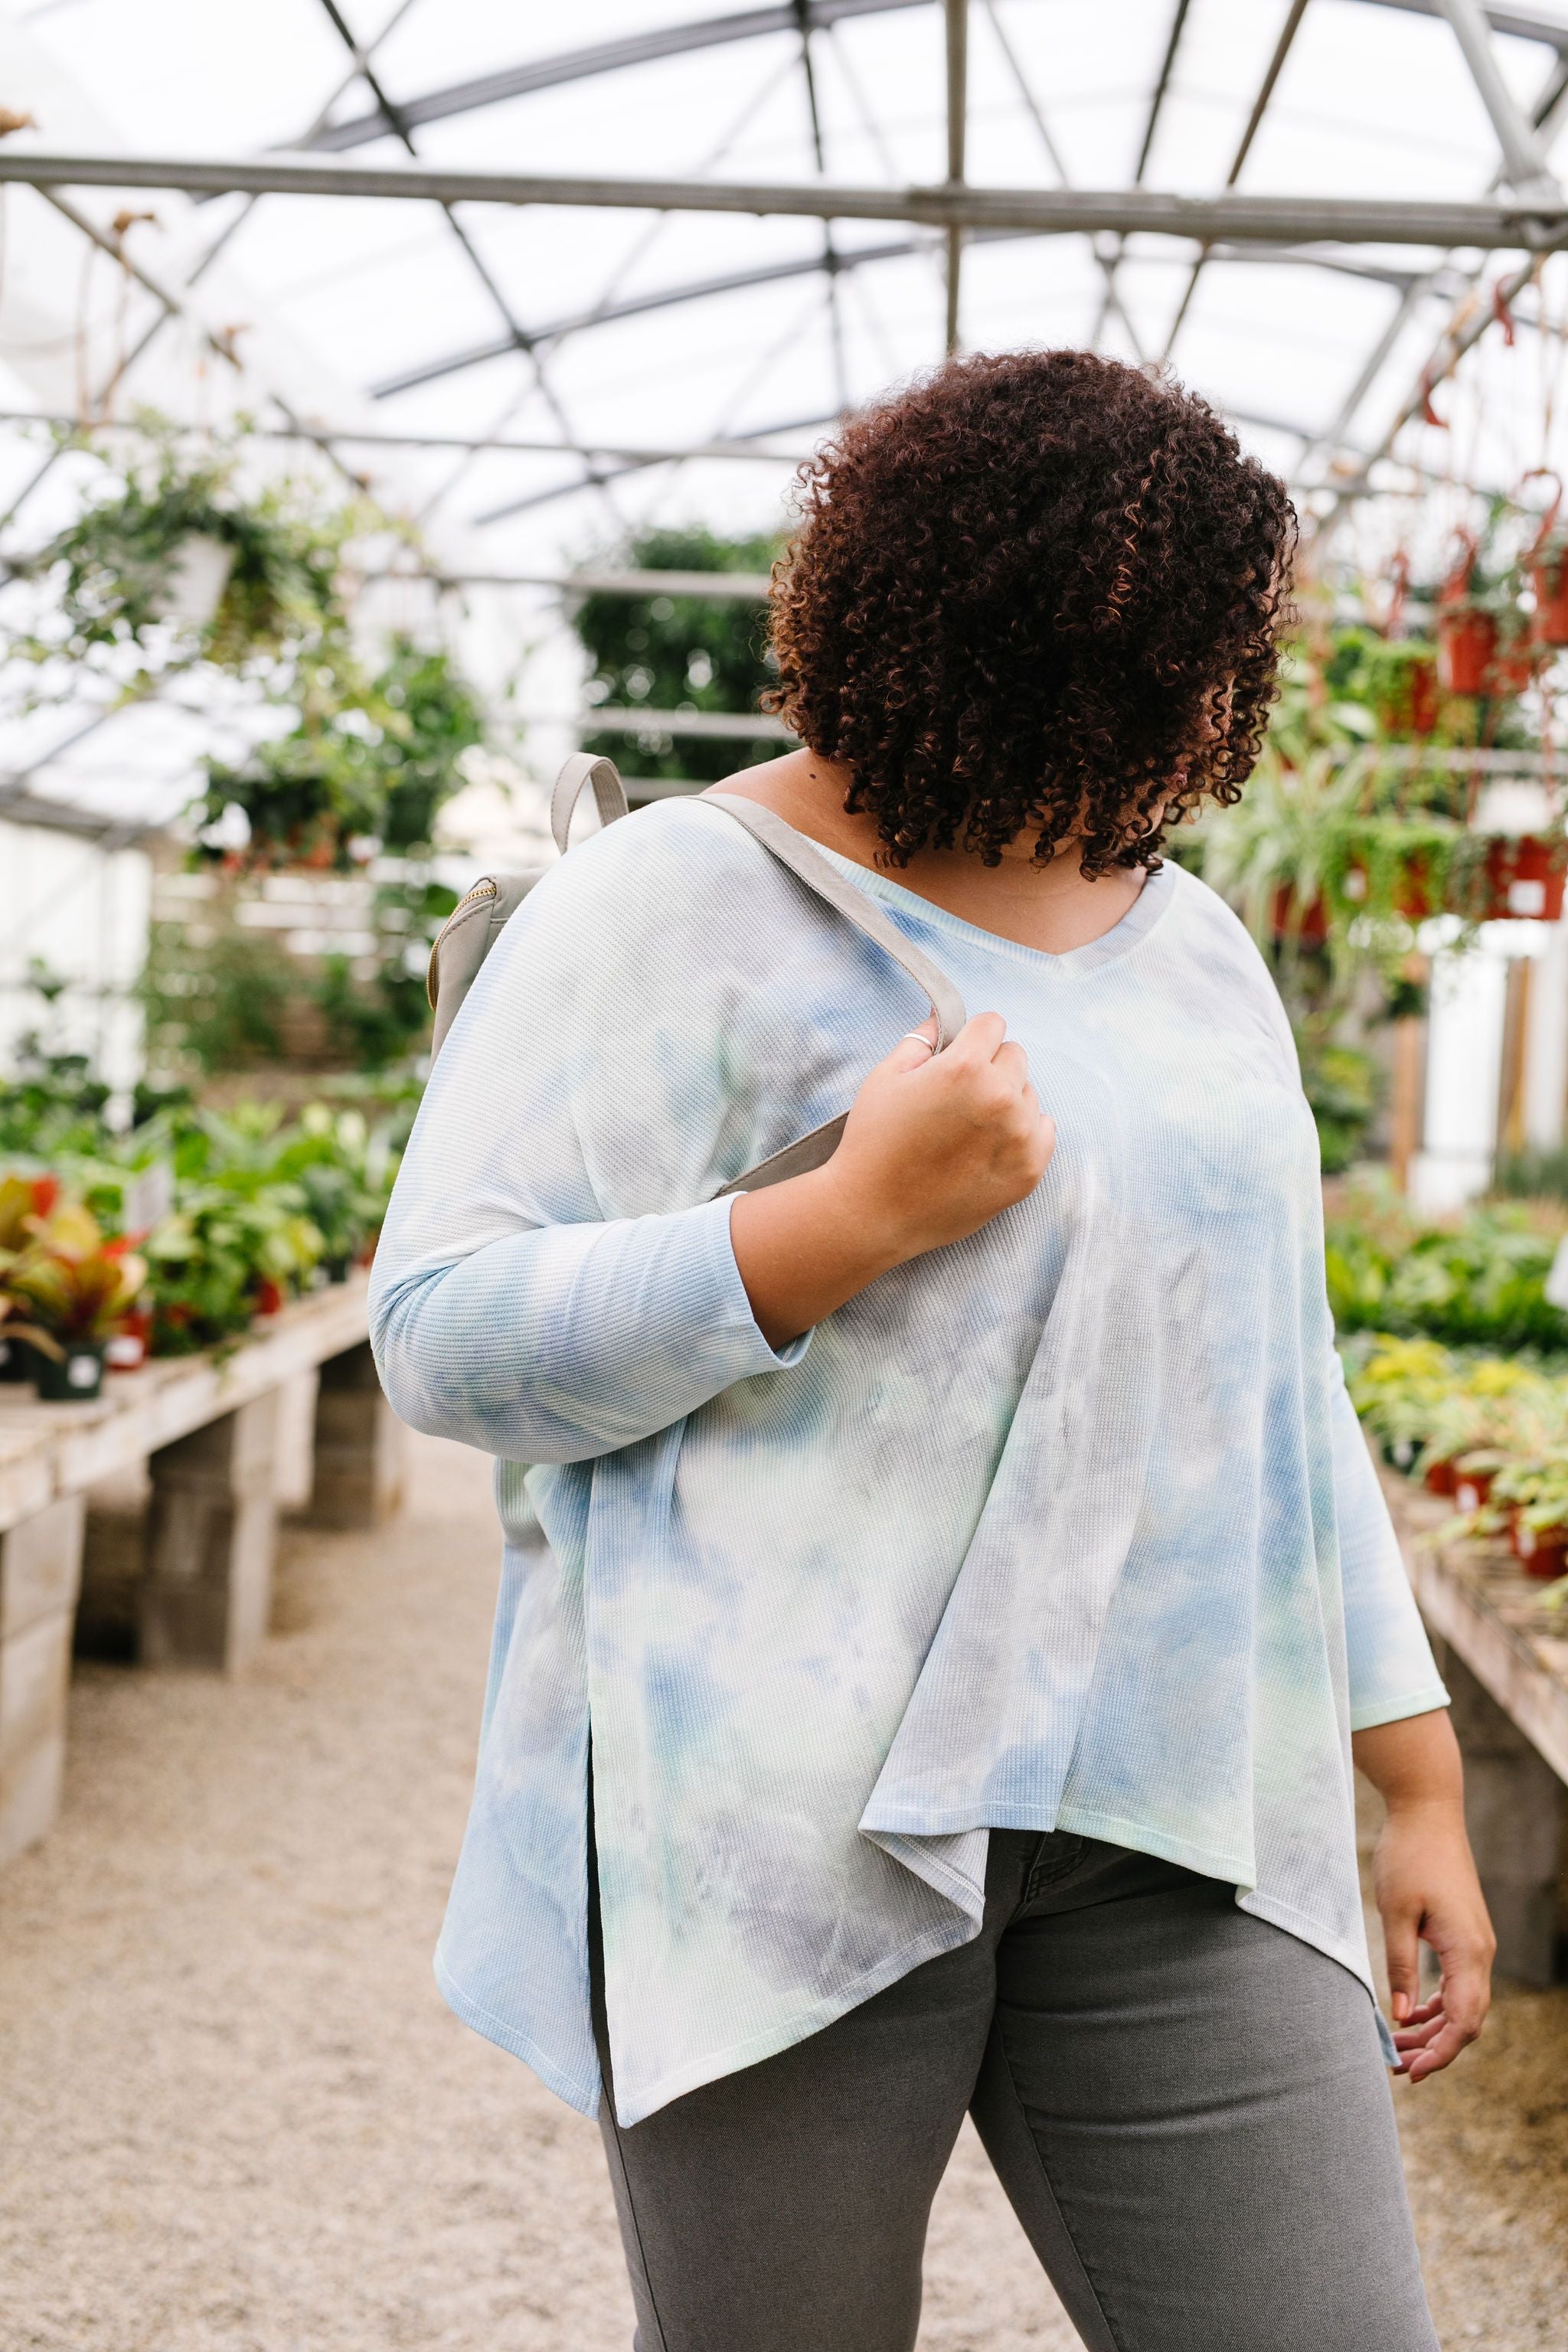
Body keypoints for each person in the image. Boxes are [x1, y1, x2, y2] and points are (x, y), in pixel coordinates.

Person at [371, 349, 1493, 2352]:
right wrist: (841, 1221)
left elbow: (1279, 1379)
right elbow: (444, 1340)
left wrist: (1411, 1781)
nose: (1149, 752)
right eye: (1100, 690)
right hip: (775, 1835)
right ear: (934, 643)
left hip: (1180, 1818)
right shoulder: (668, 906)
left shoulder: (1196, 950)